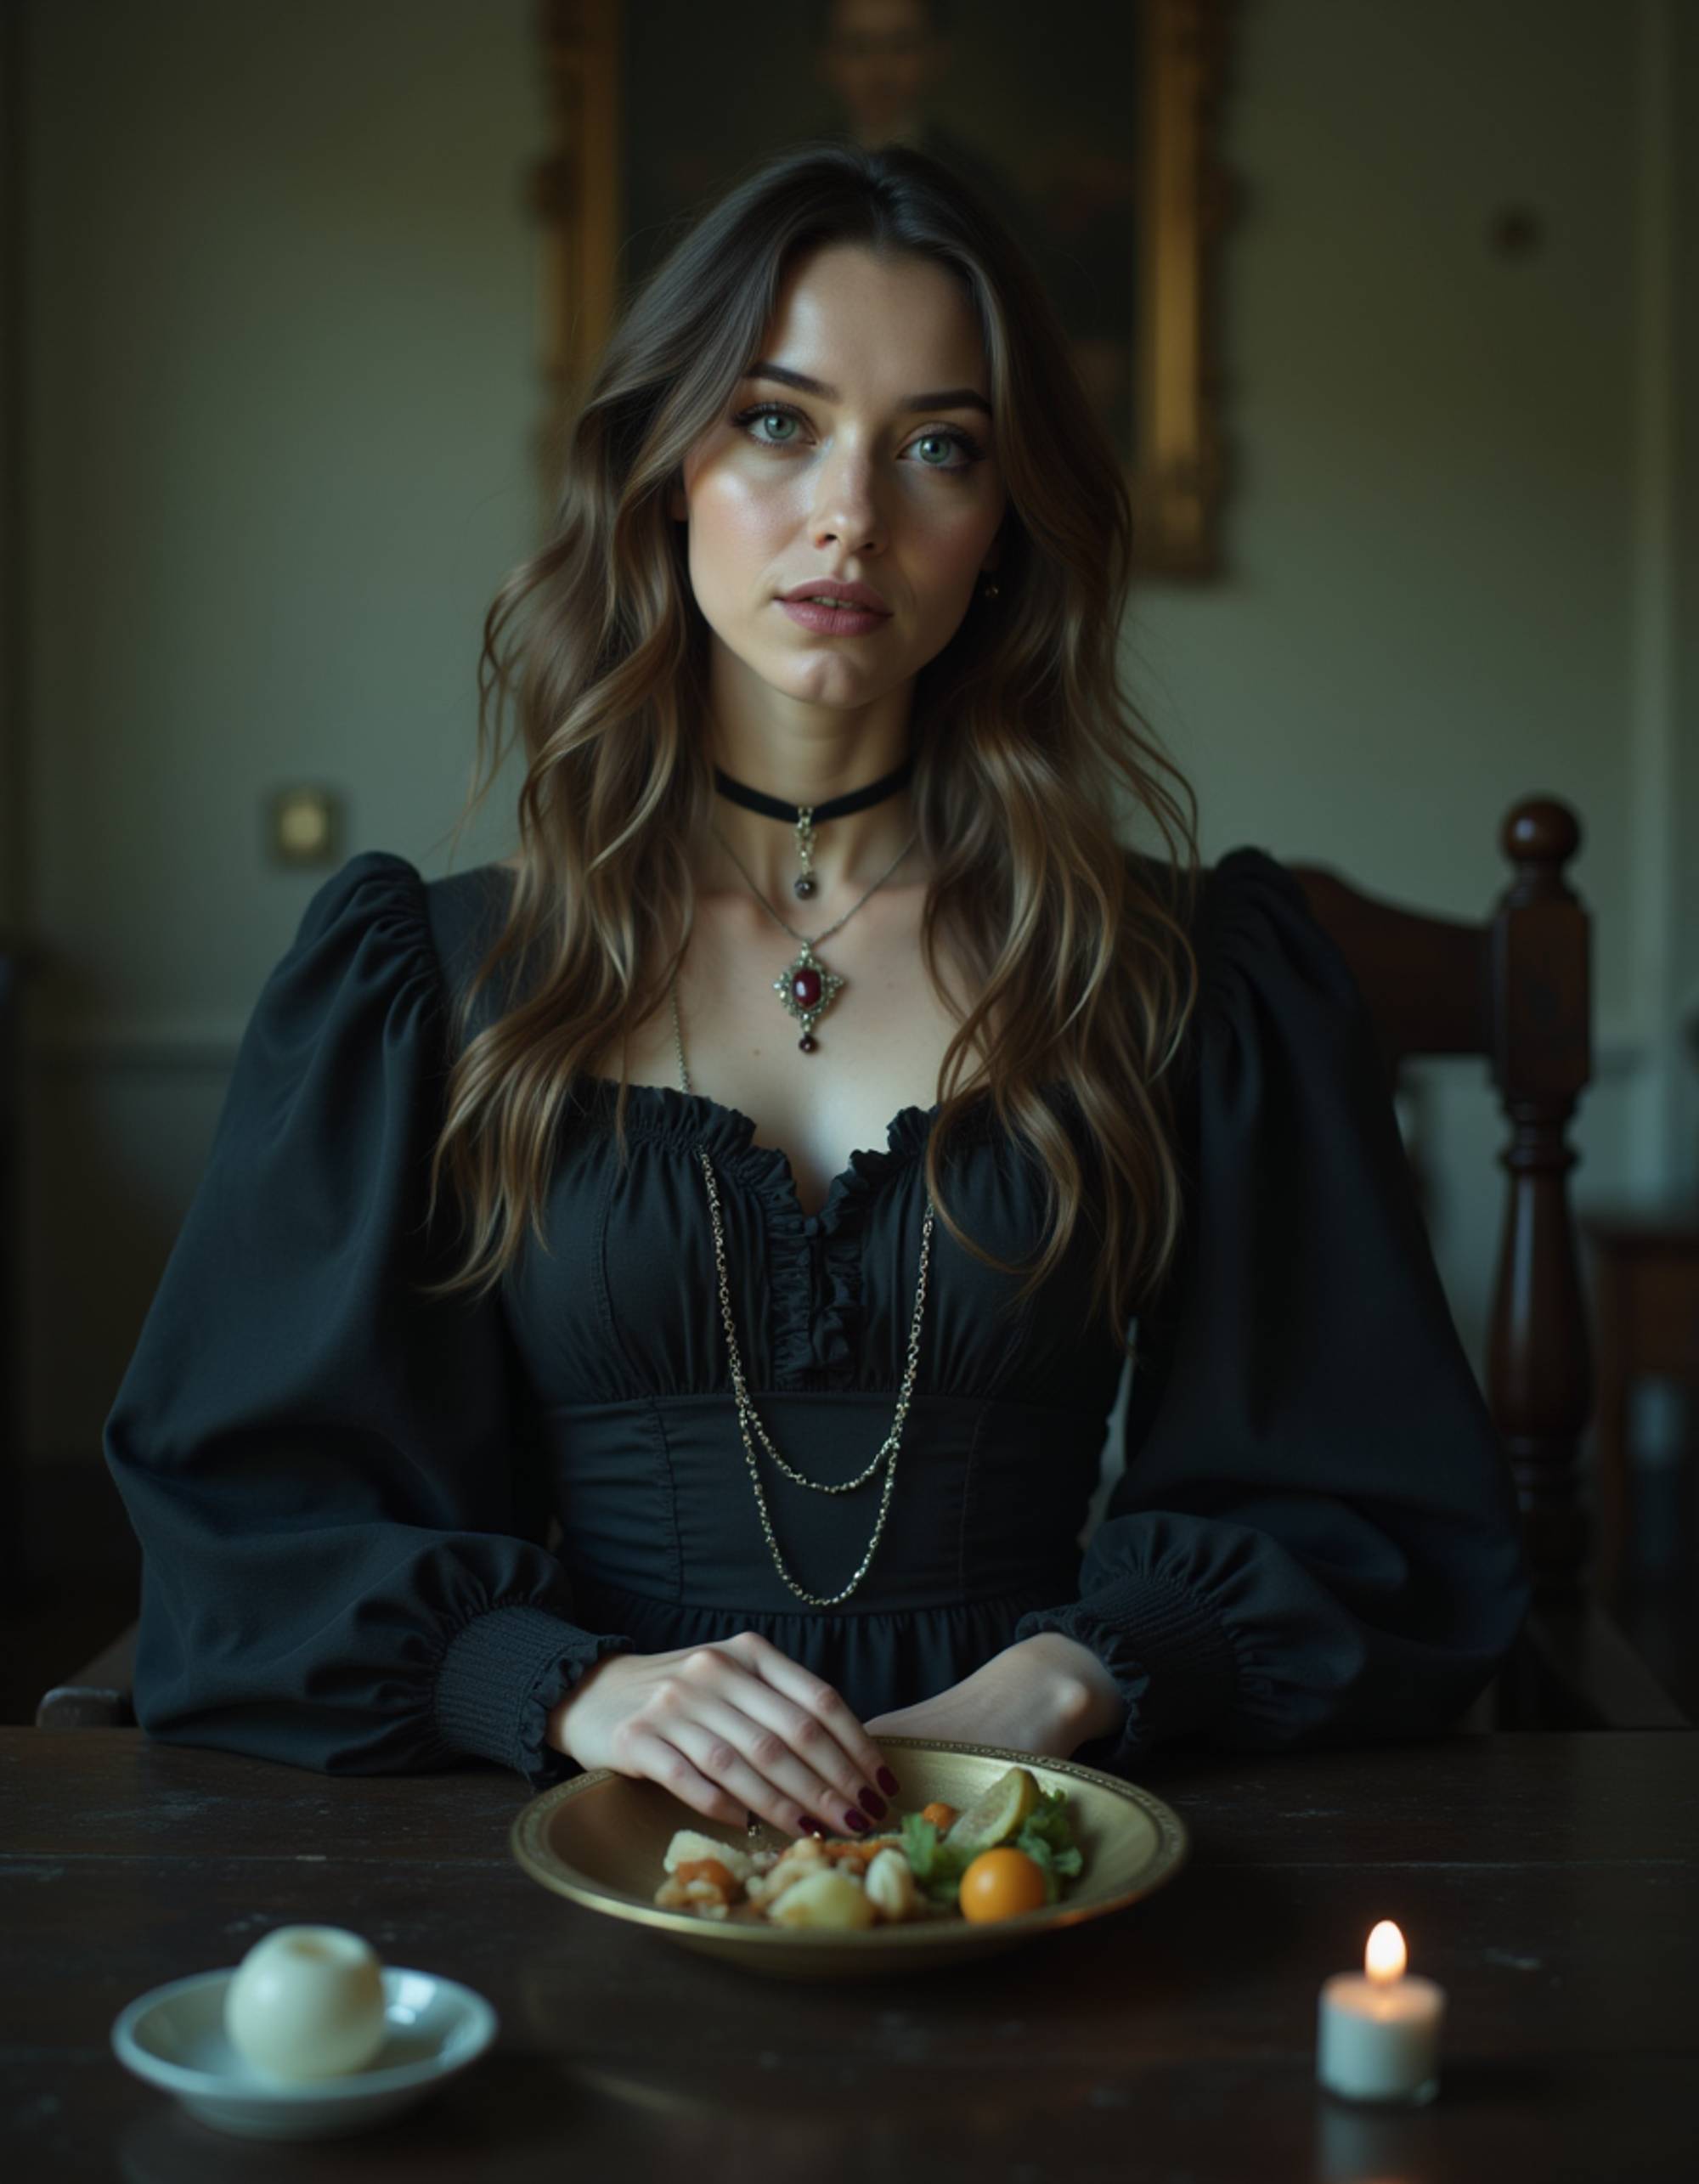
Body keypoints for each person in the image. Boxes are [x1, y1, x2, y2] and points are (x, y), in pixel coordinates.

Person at [103, 142, 1530, 1841]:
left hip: (1033, 1823)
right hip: (571, 1837)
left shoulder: (1183, 979)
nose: (850, 511)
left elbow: (1370, 1512)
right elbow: (249, 1521)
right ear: (662, 464)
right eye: (776, 421)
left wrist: (1082, 1669)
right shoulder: (429, 981)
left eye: (938, 446)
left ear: (1003, 521)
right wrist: (566, 1683)